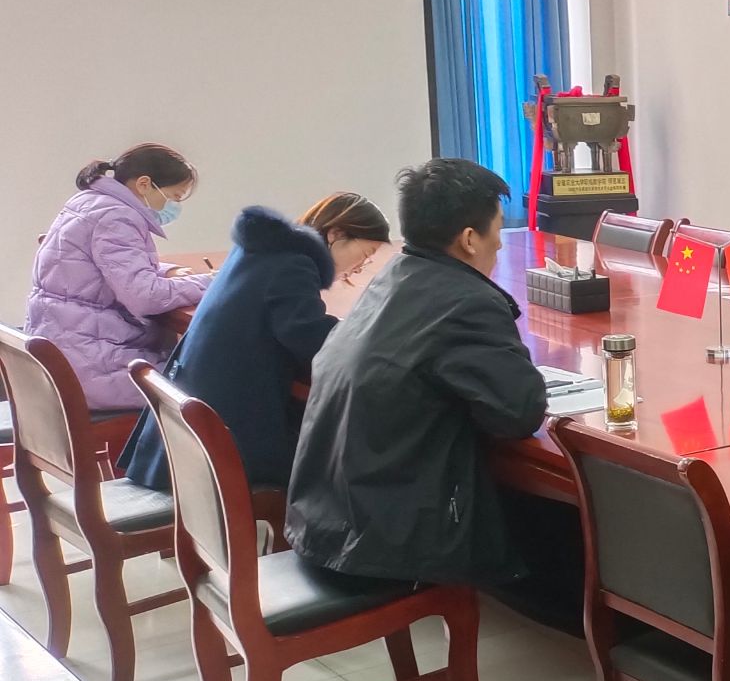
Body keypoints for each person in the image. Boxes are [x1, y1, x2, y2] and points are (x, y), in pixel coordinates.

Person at [287, 159, 558, 605]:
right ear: (469, 239)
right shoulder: (466, 302)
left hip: (323, 520)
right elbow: (519, 413)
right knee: (551, 535)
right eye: (496, 232)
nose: (499, 245)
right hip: (380, 545)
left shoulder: (393, 279)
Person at [119, 194, 390, 493]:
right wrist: (369, 335)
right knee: (345, 465)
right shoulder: (294, 266)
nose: (362, 266)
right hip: (226, 437)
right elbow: (312, 340)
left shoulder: (258, 251)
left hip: (186, 433)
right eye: (366, 253)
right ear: (336, 234)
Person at [25, 144, 211, 409]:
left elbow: (103, 264)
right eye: (174, 196)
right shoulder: (117, 217)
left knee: (198, 369)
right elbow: (145, 297)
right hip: (91, 366)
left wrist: (165, 270)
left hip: (66, 349)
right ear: (144, 184)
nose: (172, 206)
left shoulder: (89, 201)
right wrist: (212, 282)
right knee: (208, 384)